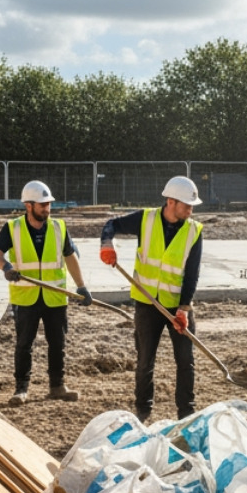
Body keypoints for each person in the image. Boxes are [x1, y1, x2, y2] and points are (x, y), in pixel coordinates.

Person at [101, 176, 204, 422]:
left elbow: (192, 273)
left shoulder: (194, 231)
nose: (190, 210)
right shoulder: (145, 219)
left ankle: (186, 412)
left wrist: (184, 308)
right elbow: (111, 225)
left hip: (178, 305)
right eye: (187, 205)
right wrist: (106, 244)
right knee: (145, 360)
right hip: (147, 304)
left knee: (186, 360)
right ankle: (143, 409)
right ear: (171, 202)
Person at [0, 180, 92, 406]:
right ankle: (21, 389)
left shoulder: (58, 227)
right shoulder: (13, 227)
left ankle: (57, 386)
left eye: (49, 204)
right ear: (29, 205)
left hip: (55, 297)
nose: (47, 208)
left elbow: (70, 257)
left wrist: (81, 286)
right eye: (43, 205)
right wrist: (6, 267)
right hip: (26, 298)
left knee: (58, 344)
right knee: (24, 344)